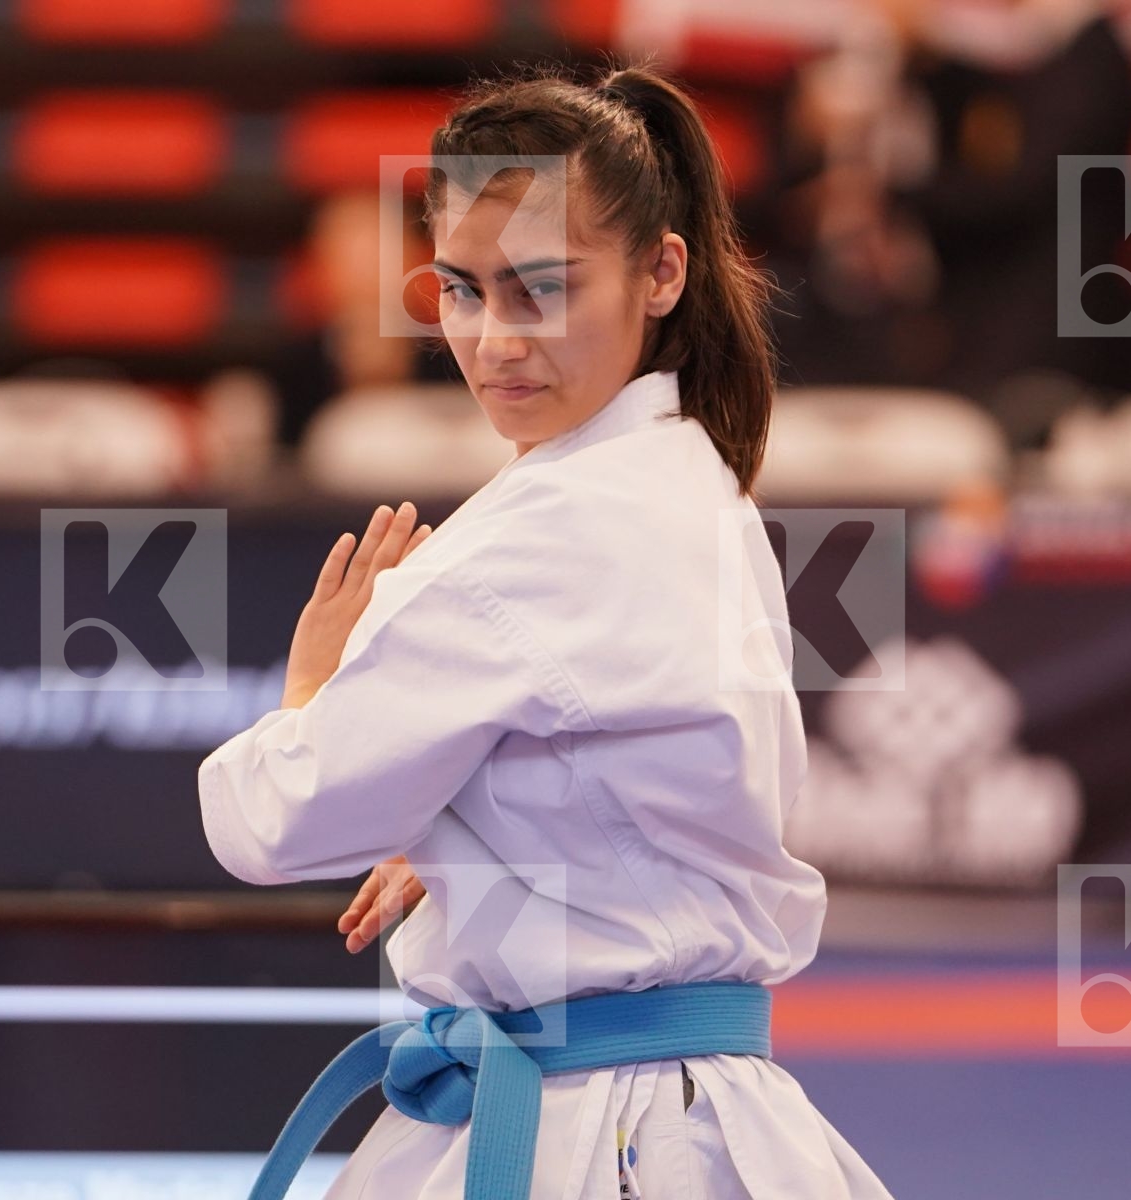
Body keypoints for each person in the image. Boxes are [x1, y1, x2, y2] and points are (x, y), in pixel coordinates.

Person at [197, 60, 895, 1200]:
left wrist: (310, 700)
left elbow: (274, 823)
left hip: (587, 1132)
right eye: (462, 292)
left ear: (661, 271)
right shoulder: (697, 480)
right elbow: (625, 782)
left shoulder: (532, 536)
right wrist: (480, 835)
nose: (494, 340)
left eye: (542, 289)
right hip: (695, 1116)